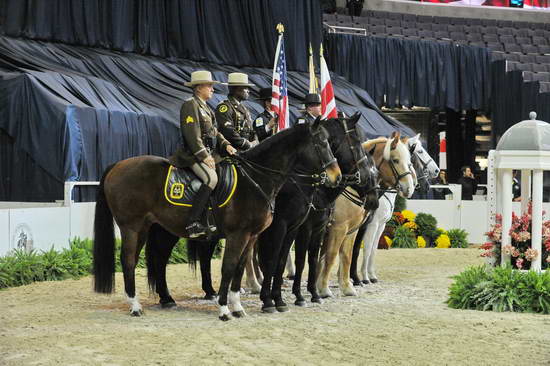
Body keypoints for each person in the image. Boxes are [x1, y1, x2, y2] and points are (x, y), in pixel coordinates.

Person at [169, 70, 237, 238]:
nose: (212, 89)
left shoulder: (206, 107)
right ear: (198, 88)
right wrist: (204, 156)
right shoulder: (190, 104)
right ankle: (193, 222)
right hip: (192, 155)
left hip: (209, 153)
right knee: (211, 178)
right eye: (209, 86)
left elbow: (214, 131)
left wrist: (226, 144)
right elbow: (192, 135)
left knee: (225, 174)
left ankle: (210, 217)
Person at [216, 73, 258, 151]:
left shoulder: (245, 109)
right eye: (246, 88)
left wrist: (255, 141)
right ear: (237, 89)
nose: (248, 91)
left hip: (246, 151)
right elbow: (228, 131)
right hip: (230, 152)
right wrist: (247, 144)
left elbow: (251, 130)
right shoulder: (225, 107)